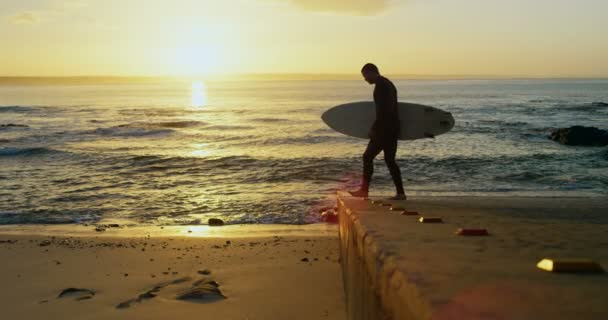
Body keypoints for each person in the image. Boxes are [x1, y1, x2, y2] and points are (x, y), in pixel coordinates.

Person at [349, 63, 406, 200]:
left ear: (371, 72)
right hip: (393, 128)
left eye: (365, 76)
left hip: (384, 129)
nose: (365, 79)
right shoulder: (388, 84)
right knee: (390, 160)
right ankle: (400, 193)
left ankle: (364, 190)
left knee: (367, 157)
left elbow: (383, 111)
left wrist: (374, 128)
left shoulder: (381, 86)